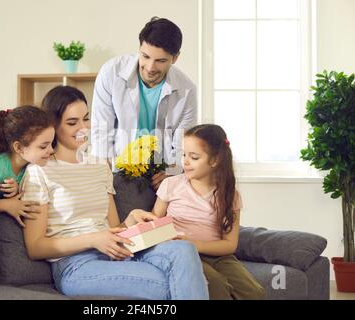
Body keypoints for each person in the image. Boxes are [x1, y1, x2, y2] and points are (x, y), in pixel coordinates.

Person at [20, 85, 209, 300]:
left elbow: (113, 228)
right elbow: (36, 247)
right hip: (76, 265)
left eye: (86, 118)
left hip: (117, 252)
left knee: (184, 250)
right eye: (72, 123)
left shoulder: (100, 166)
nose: (84, 128)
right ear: (53, 126)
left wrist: (131, 220)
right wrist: (93, 240)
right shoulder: (39, 172)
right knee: (171, 283)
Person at [130, 124, 265, 300]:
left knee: (254, 292)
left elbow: (229, 244)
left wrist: (194, 243)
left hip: (217, 256)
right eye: (184, 155)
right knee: (216, 284)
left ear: (214, 160)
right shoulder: (171, 185)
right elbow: (154, 221)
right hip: (183, 254)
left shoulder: (230, 195)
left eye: (193, 157)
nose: (185, 162)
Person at [91, 17, 197, 190]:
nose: (150, 67)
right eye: (145, 56)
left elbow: (182, 143)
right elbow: (101, 130)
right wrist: (104, 178)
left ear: (175, 58)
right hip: (118, 171)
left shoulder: (187, 90)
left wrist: (171, 173)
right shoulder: (111, 73)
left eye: (160, 61)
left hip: (160, 174)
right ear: (139, 48)